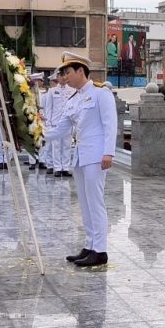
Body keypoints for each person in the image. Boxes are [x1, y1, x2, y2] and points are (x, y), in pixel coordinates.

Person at [48, 52, 117, 268]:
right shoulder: (74, 99)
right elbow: (61, 128)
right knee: (85, 204)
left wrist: (109, 153)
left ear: (80, 71)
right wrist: (36, 134)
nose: (65, 77)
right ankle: (89, 245)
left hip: (96, 156)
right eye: (63, 74)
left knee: (95, 202)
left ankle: (100, 250)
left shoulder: (100, 93)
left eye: (68, 72)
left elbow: (110, 124)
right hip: (79, 156)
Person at [49, 69, 76, 177]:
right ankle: (57, 168)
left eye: (65, 75)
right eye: (60, 75)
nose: (63, 78)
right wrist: (49, 123)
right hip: (55, 123)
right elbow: (49, 108)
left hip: (68, 123)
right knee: (56, 146)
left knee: (67, 146)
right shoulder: (52, 91)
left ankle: (65, 167)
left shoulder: (72, 90)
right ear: (57, 77)